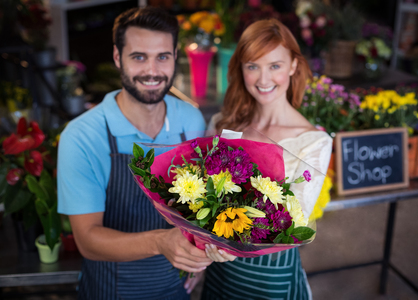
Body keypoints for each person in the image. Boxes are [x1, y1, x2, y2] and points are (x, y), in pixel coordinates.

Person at [57, 7, 212, 300]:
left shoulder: (191, 121)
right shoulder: (83, 136)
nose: (152, 71)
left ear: (175, 55)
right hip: (109, 292)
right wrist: (161, 242)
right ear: (118, 57)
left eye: (162, 57)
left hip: (175, 290)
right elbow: (88, 240)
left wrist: (198, 257)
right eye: (139, 57)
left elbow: (198, 209)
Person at [201, 19, 333, 300]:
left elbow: (294, 225)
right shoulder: (223, 124)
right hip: (220, 271)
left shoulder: (313, 142)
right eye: (253, 66)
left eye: (275, 66)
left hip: (271, 275)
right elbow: (201, 194)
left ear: (293, 66)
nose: (263, 79)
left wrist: (235, 245)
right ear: (241, 69)